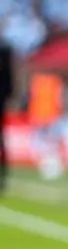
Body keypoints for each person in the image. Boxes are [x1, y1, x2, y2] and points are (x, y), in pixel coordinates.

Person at [0, 40, 12, 192]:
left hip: (0, 102)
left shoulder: (4, 49)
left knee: (2, 142)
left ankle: (3, 177)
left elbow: (8, 78)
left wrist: (9, 96)